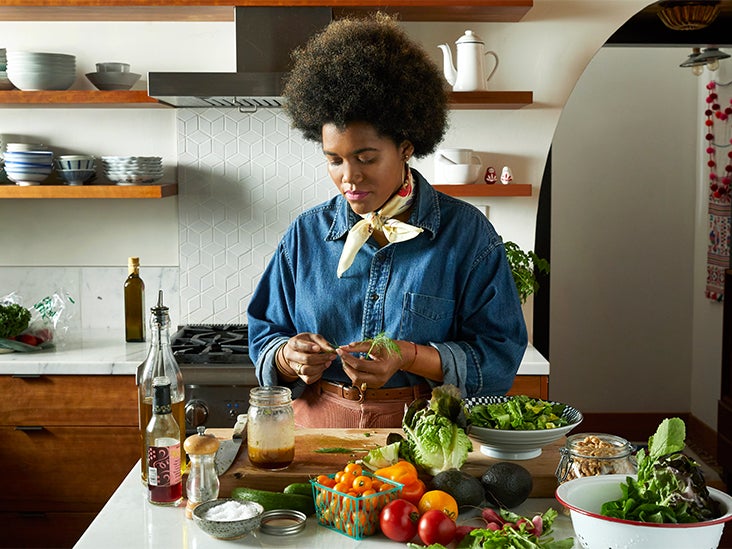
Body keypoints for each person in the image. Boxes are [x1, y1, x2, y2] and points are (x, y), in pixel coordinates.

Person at [247, 13, 527, 428]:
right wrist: (289, 358)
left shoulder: (467, 234)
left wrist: (409, 355)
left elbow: (500, 356)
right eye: (334, 160)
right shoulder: (305, 235)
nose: (349, 177)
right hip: (313, 429)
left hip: (425, 434)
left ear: (406, 148)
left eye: (366, 158)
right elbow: (264, 337)